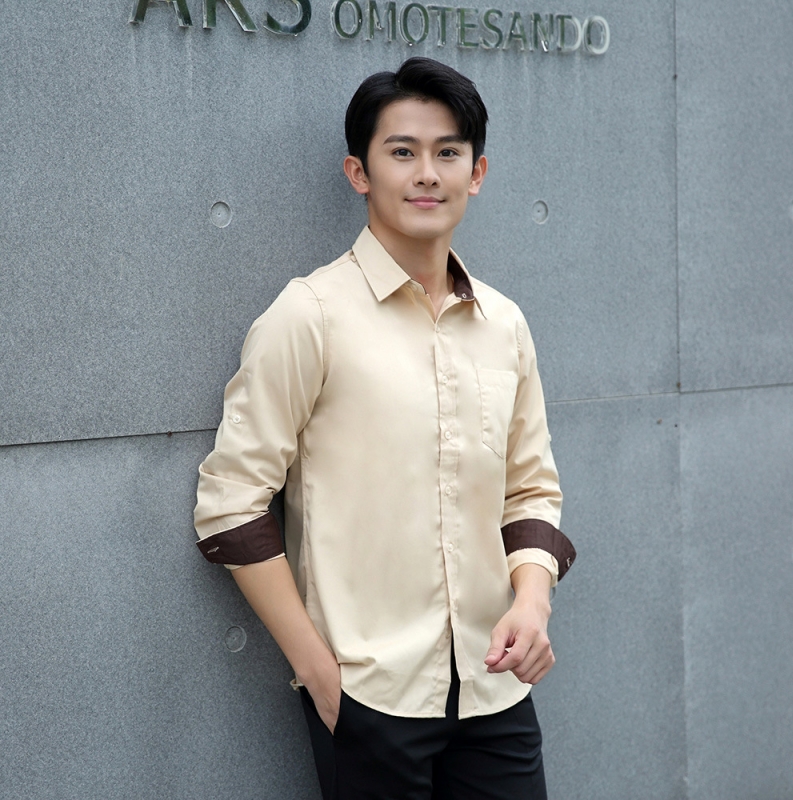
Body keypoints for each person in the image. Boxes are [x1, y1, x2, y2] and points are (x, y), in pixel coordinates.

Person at [194, 56, 575, 800]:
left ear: (477, 173)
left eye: (448, 152)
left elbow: (531, 489)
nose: (427, 173)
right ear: (359, 173)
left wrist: (532, 603)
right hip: (368, 698)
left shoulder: (504, 324)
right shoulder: (310, 315)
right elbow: (230, 503)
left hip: (496, 690)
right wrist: (319, 674)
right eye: (402, 151)